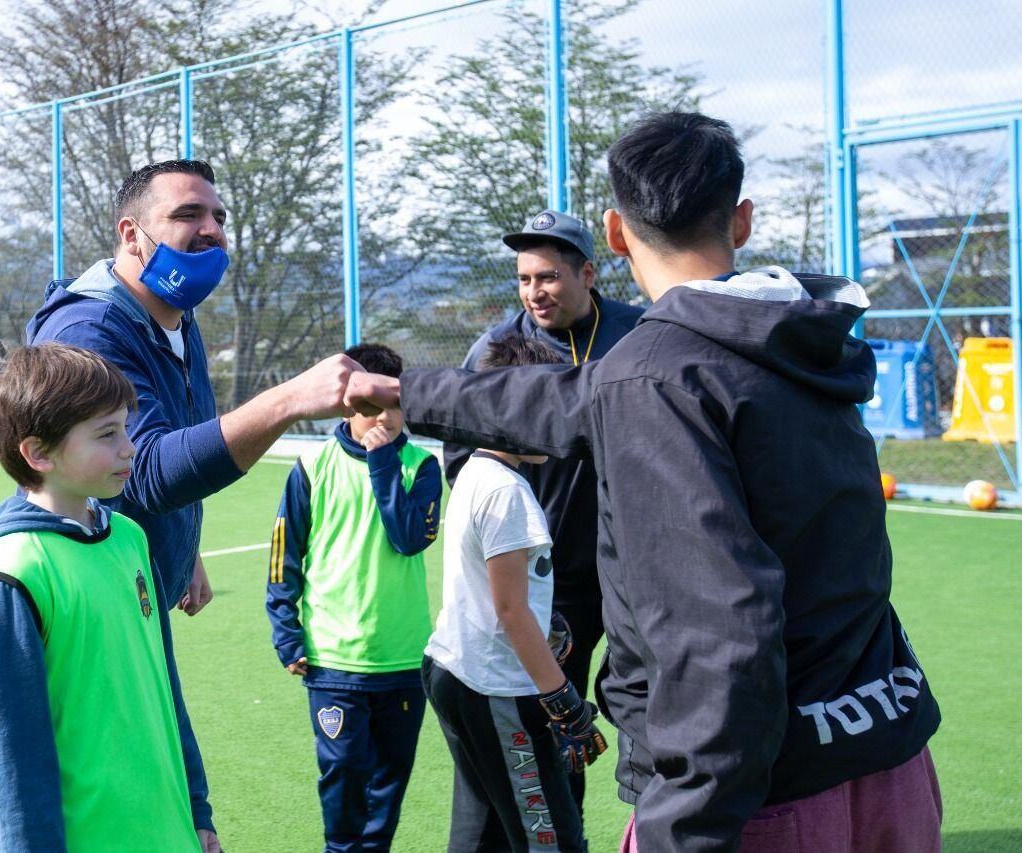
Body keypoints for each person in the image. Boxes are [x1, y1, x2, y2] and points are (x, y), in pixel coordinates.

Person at [346, 111, 942, 852]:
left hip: (766, 795)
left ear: (617, 234)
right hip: (893, 758)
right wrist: (406, 391)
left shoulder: (655, 371)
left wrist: (680, 825)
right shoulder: (790, 337)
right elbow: (564, 398)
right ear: (743, 220)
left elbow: (723, 635)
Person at [27, 158, 362, 850]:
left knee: (175, 781)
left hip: (137, 576)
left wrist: (186, 539)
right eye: (188, 216)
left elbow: (164, 442)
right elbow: (140, 470)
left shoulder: (176, 314)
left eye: (218, 218)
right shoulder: (87, 334)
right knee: (119, 789)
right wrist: (291, 399)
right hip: (89, 599)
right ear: (132, 234)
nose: (211, 230)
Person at [0, 343, 197, 851]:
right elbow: (9, 752)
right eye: (107, 434)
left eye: (126, 427)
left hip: (169, 832)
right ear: (38, 453)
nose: (129, 447)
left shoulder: (130, 538)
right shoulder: (11, 573)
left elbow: (166, 688)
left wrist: (198, 810)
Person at [445, 209, 642, 812]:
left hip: (635, 567)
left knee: (653, 710)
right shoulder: (499, 349)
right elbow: (461, 452)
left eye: (549, 277)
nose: (535, 292)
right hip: (554, 582)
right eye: (526, 279)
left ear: (588, 273)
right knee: (554, 731)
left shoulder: (637, 332)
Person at [424, 336, 607, 853]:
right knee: (551, 839)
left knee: (481, 833)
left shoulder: (475, 473)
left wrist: (547, 628)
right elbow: (510, 612)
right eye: (546, 404)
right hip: (495, 689)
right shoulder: (508, 491)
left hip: (453, 668)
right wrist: (563, 701)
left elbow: (493, 592)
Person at [266, 342, 442, 853]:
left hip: (403, 657)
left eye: (392, 403)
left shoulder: (420, 467)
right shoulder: (311, 466)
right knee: (343, 773)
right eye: (371, 404)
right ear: (346, 402)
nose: (384, 416)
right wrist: (286, 632)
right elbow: (284, 557)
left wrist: (383, 459)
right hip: (334, 659)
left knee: (390, 780)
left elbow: (409, 536)